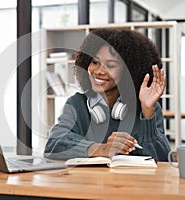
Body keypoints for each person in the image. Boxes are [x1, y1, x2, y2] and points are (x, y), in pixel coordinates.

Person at [44, 29, 171, 161]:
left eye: (110, 65)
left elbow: (164, 160)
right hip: (89, 181)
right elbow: (53, 145)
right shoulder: (77, 104)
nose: (99, 71)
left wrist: (147, 112)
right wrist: (102, 149)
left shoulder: (149, 108)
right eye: (95, 62)